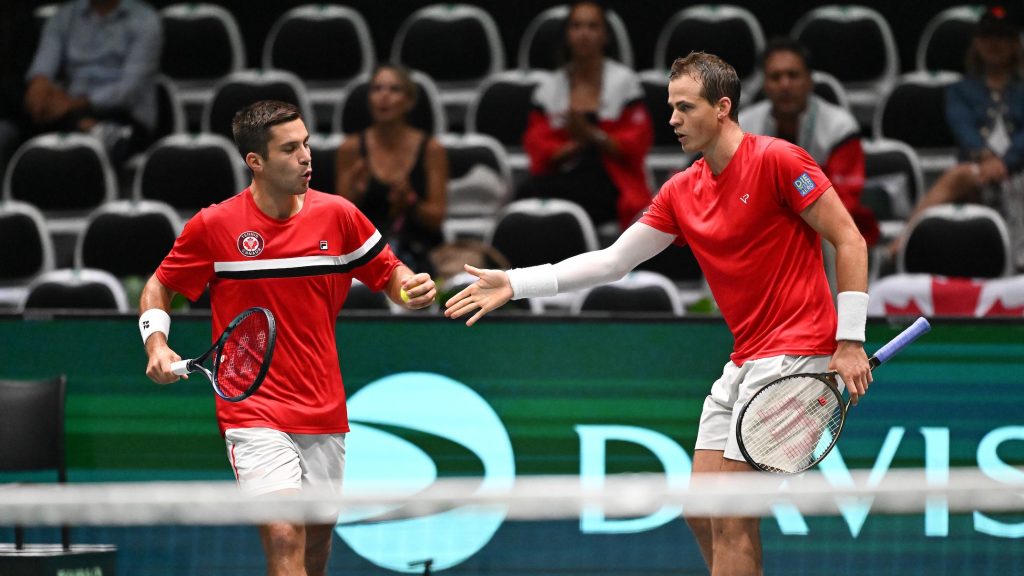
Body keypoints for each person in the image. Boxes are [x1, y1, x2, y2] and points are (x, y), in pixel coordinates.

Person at [445, 52, 872, 575]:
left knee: (733, 518)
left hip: (796, 355)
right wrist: (515, 282)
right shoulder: (682, 191)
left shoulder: (780, 160)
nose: (671, 120)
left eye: (684, 108)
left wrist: (849, 340)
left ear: (722, 108)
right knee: (700, 511)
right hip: (744, 360)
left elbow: (849, 239)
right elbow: (613, 261)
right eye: (670, 107)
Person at [139, 100, 436, 575]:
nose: (306, 157)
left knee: (315, 544)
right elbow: (160, 286)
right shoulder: (215, 226)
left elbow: (389, 273)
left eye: (307, 144)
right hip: (250, 404)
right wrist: (156, 343)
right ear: (254, 161)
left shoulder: (338, 216)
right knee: (282, 532)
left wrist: (411, 288)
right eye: (290, 149)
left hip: (322, 404)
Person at [887, 5, 1024, 267]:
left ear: (1015, 43)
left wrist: (1006, 163)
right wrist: (986, 158)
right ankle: (902, 245)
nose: (994, 43)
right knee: (960, 175)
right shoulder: (960, 90)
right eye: (987, 36)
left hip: (1018, 172)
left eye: (1002, 36)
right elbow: (963, 129)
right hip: (977, 175)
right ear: (976, 42)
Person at [517, 0, 653, 232]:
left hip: (612, 179)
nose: (584, 34)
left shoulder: (625, 84)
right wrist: (575, 145)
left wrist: (590, 134)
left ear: (605, 35)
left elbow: (635, 145)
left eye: (592, 26)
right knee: (528, 193)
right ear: (567, 34)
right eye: (577, 26)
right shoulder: (548, 89)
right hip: (563, 174)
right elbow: (537, 146)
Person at [740, 37, 879, 247]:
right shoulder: (742, 126)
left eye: (793, 75)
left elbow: (842, 200)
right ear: (765, 85)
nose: (784, 84)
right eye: (776, 77)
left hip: (824, 230)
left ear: (809, 80)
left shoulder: (839, 127)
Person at [5, 0, 162, 165]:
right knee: (12, 91)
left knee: (42, 119)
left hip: (122, 116)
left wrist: (71, 104)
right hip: (70, 111)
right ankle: (87, 128)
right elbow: (44, 64)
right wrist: (38, 86)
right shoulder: (64, 15)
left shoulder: (146, 19)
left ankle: (82, 126)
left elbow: (129, 89)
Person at [335, 63, 447, 276]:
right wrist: (356, 193)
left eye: (394, 89)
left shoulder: (432, 149)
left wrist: (411, 202)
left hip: (421, 251)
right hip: (365, 253)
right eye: (377, 89)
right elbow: (339, 222)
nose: (384, 96)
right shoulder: (350, 149)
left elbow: (436, 218)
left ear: (410, 101)